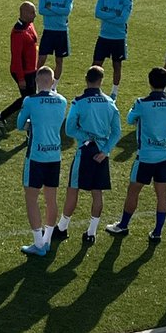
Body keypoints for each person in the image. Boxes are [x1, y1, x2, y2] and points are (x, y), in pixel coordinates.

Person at [106, 68, 166, 243]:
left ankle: (123, 225)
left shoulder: (141, 103)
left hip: (146, 156)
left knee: (133, 191)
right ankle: (158, 231)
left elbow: (130, 119)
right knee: (162, 194)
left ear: (150, 82)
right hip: (165, 154)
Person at [54, 66, 121, 246]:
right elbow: (116, 132)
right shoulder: (109, 103)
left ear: (86, 79)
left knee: (73, 189)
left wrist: (86, 138)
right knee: (97, 193)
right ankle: (91, 232)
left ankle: (62, 228)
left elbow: (69, 129)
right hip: (101, 152)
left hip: (85, 151)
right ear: (101, 80)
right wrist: (105, 150)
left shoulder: (79, 102)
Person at [18, 67, 69, 257]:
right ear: (53, 80)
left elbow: (20, 124)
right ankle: (46, 239)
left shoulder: (30, 101)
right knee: (51, 199)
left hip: (36, 156)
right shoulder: (62, 101)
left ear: (37, 82)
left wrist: (32, 124)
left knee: (31, 198)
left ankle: (39, 244)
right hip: (54, 156)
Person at [0, 2, 39, 135]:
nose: (35, 15)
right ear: (24, 13)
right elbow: (17, 57)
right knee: (29, 100)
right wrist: (21, 78)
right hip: (23, 72)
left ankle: (3, 116)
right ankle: (5, 117)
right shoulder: (18, 32)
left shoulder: (29, 24)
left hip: (31, 70)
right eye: (32, 12)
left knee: (28, 99)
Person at [93, 0, 133, 98]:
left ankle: (114, 92)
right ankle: (94, 88)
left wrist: (107, 14)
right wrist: (114, 15)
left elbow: (122, 20)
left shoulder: (127, 0)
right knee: (96, 64)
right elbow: (97, 13)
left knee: (117, 65)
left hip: (118, 38)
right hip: (104, 36)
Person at [37, 0, 74, 85]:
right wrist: (58, 10)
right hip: (48, 30)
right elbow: (41, 10)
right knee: (41, 58)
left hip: (61, 31)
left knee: (59, 60)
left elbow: (67, 11)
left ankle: (54, 86)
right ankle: (36, 83)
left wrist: (51, 8)